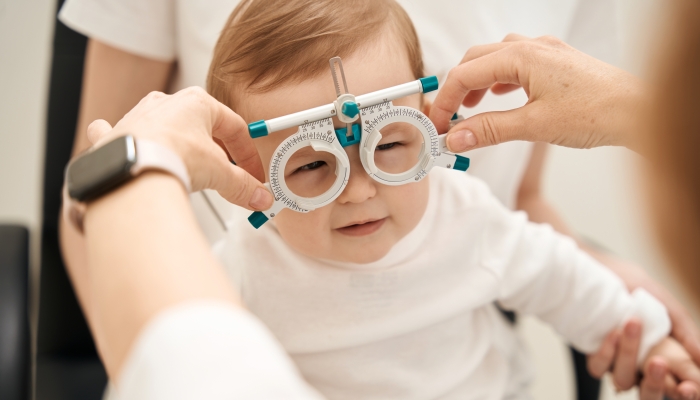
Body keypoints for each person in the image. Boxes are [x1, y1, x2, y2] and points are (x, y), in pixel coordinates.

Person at [56, 0, 700, 394]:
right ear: (246, 168)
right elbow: (170, 364)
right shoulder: (244, 264)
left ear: (432, 124)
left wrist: (650, 343)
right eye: (312, 166)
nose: (360, 189)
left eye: (392, 148)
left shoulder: (467, 218)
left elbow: (567, 282)